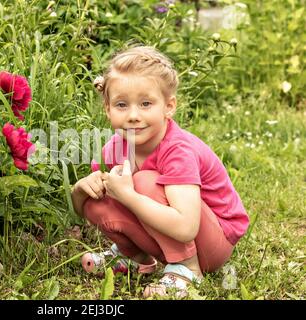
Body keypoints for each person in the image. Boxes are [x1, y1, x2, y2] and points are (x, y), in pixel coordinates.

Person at [70, 46, 249, 298]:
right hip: (171, 232)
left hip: (212, 243)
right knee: (100, 198)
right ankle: (135, 258)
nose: (133, 116)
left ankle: (187, 269)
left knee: (142, 181)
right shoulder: (114, 147)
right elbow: (86, 211)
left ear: (169, 106)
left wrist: (129, 196)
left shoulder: (177, 150)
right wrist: (80, 189)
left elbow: (187, 227)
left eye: (146, 103)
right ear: (108, 109)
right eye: (121, 104)